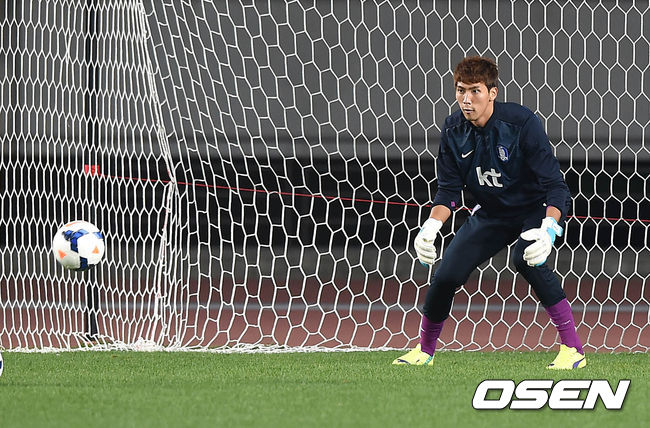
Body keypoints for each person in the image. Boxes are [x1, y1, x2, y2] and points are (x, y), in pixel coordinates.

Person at [393, 56, 585, 369]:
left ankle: (573, 349)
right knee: (446, 275)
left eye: (475, 91)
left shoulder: (521, 123)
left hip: (532, 210)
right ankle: (424, 351)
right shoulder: (453, 129)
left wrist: (549, 229)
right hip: (492, 213)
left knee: (527, 259)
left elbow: (556, 187)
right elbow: (448, 191)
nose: (467, 99)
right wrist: (430, 227)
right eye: (461, 90)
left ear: (492, 93)